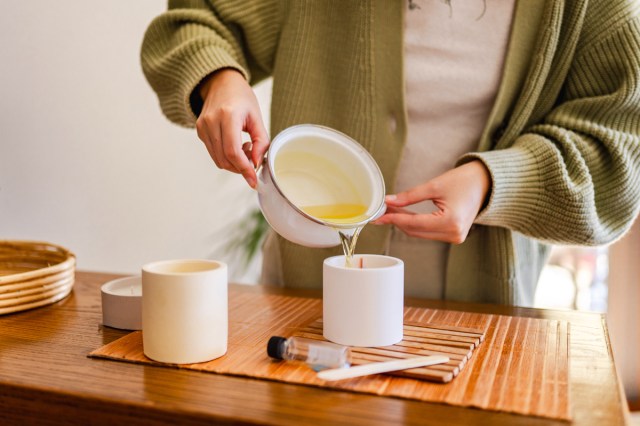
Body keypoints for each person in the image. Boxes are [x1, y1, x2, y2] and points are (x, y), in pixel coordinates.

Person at [141, 0, 640, 306]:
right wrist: (219, 79)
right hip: (301, 300)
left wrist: (492, 183)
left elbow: (619, 155)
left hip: (483, 317)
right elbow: (194, 19)